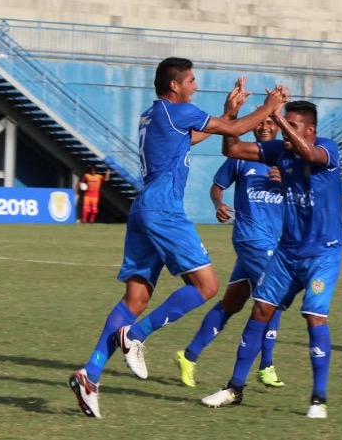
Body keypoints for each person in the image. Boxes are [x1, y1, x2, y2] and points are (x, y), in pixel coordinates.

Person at [67, 58, 289, 419]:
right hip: (164, 211)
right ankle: (136, 336)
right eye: (191, 80)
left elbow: (202, 134)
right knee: (206, 286)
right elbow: (231, 128)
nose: (195, 85)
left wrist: (227, 115)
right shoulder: (177, 111)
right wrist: (268, 108)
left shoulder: (155, 115)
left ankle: (90, 374)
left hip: (143, 209)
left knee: (136, 296)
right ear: (175, 86)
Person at [201, 100, 342, 420]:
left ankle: (318, 399)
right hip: (287, 251)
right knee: (260, 310)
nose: (284, 130)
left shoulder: (327, 149)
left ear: (311, 130)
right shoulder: (280, 151)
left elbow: (310, 155)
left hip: (323, 252)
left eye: (293, 125)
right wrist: (232, 114)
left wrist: (276, 115)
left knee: (313, 318)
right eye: (284, 125)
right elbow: (233, 150)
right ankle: (234, 388)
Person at [174, 116, 286, 390]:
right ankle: (266, 365)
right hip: (251, 239)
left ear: (279, 127)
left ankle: (188, 356)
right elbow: (217, 187)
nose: (264, 127)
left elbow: (306, 193)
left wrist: (287, 181)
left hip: (274, 242)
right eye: (260, 122)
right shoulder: (240, 156)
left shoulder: (287, 158)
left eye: (270, 123)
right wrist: (218, 204)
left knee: (232, 303)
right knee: (275, 296)